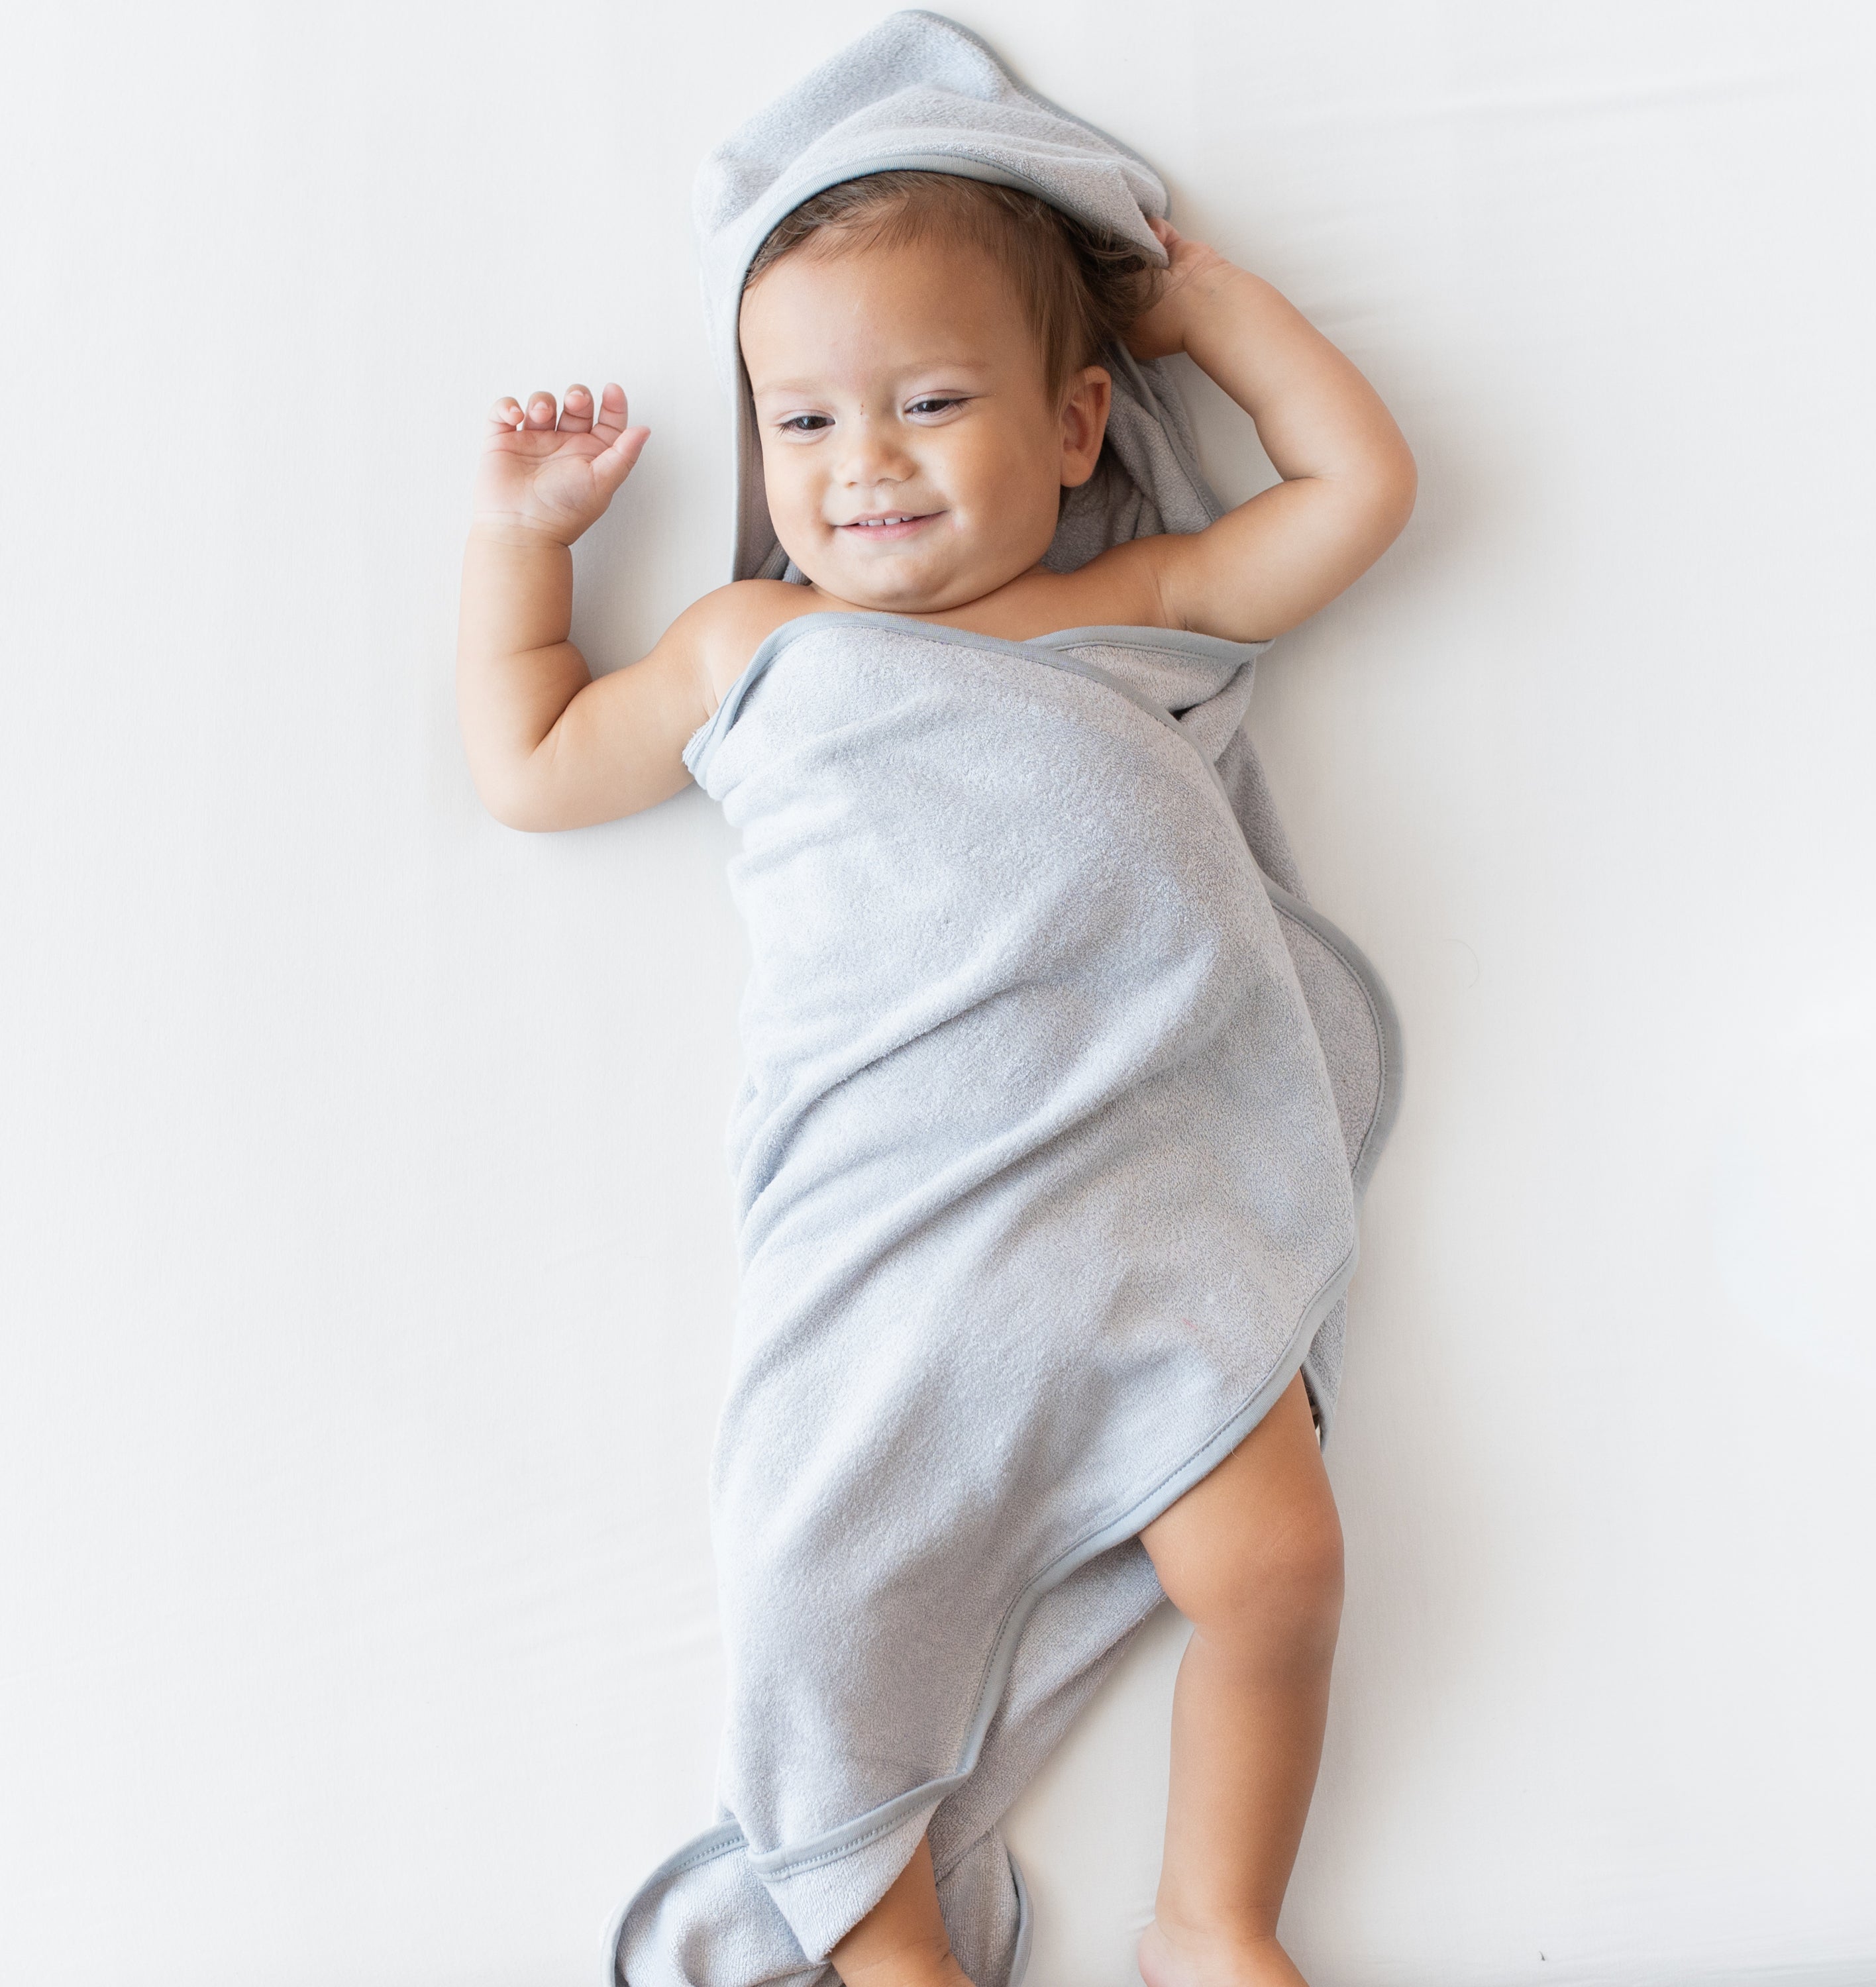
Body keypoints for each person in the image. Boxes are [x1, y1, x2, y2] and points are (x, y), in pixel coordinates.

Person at [458, 169, 1414, 1987]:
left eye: (933, 401)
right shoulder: (748, 646)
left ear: (1075, 429)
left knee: (1282, 1567)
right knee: (819, 1608)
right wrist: (529, 542)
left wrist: (1207, 314)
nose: (866, 463)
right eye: (805, 422)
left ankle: (1215, 1919)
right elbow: (533, 760)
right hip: (888, 1229)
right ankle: (892, 1952)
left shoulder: (1124, 613)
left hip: (1140, 1215)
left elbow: (1357, 490)